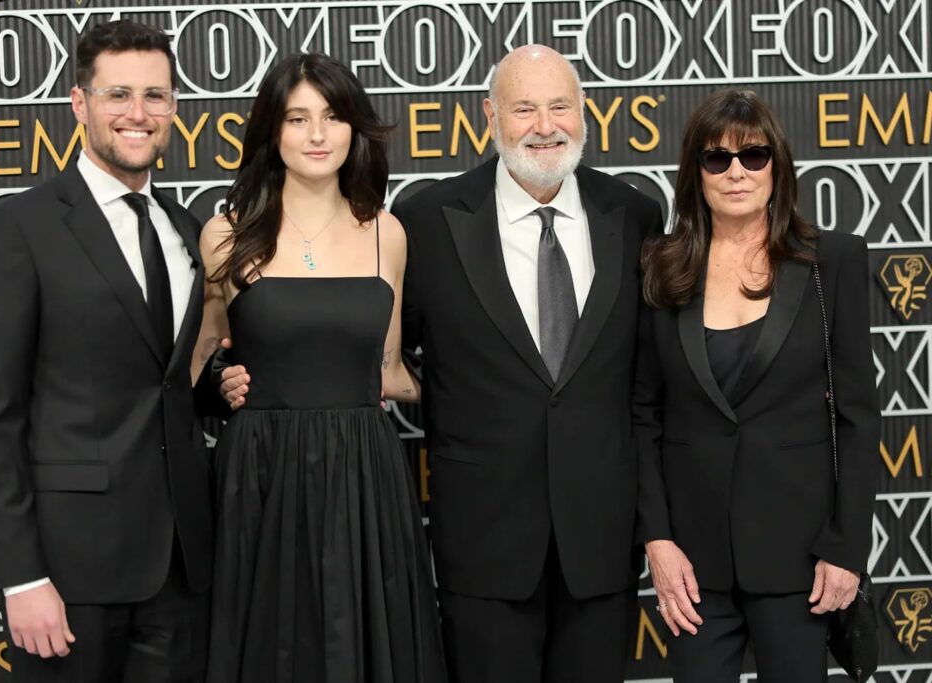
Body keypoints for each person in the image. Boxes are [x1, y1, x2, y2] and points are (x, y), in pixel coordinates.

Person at [218, 44, 664, 682]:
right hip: (481, 541)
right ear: (490, 117)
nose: (545, 126)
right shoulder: (425, 220)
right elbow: (383, 353)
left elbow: (646, 385)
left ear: (585, 113)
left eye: (560, 106)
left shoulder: (635, 214)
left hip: (603, 541)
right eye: (525, 108)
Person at [0, 20, 212, 681]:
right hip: (70, 571)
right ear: (80, 104)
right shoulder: (18, 227)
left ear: (174, 108)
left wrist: (220, 385)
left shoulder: (185, 227)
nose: (138, 113)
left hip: (182, 565)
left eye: (155, 96)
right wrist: (20, 578)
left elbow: (162, 381)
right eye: (118, 94)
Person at [193, 53, 445, 682]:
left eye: (332, 117)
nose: (316, 135)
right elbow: (201, 362)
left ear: (354, 128)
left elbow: (387, 370)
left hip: (365, 471)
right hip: (260, 470)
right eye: (297, 118)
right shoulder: (225, 235)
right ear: (271, 132)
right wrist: (217, 387)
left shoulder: (388, 233)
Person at [635, 88, 880, 682]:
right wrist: (658, 541)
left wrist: (847, 548)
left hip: (801, 557)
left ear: (778, 166)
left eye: (754, 156)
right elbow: (642, 413)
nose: (736, 172)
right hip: (694, 564)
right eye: (717, 159)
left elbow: (857, 414)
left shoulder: (833, 262)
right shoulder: (662, 266)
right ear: (696, 173)